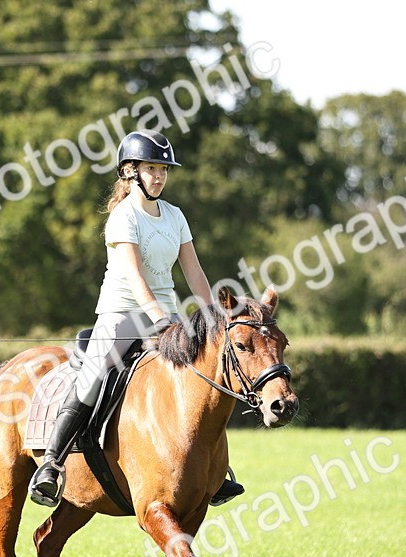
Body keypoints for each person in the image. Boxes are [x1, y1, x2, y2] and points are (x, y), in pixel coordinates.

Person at [28, 130, 245, 508]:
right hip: (121, 314)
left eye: (163, 169)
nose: (159, 176)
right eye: (151, 168)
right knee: (94, 378)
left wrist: (214, 317)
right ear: (130, 172)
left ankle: (212, 469)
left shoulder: (175, 215)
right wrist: (159, 318)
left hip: (170, 316)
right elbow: (134, 277)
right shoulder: (122, 217)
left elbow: (194, 272)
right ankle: (51, 463)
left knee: (204, 377)